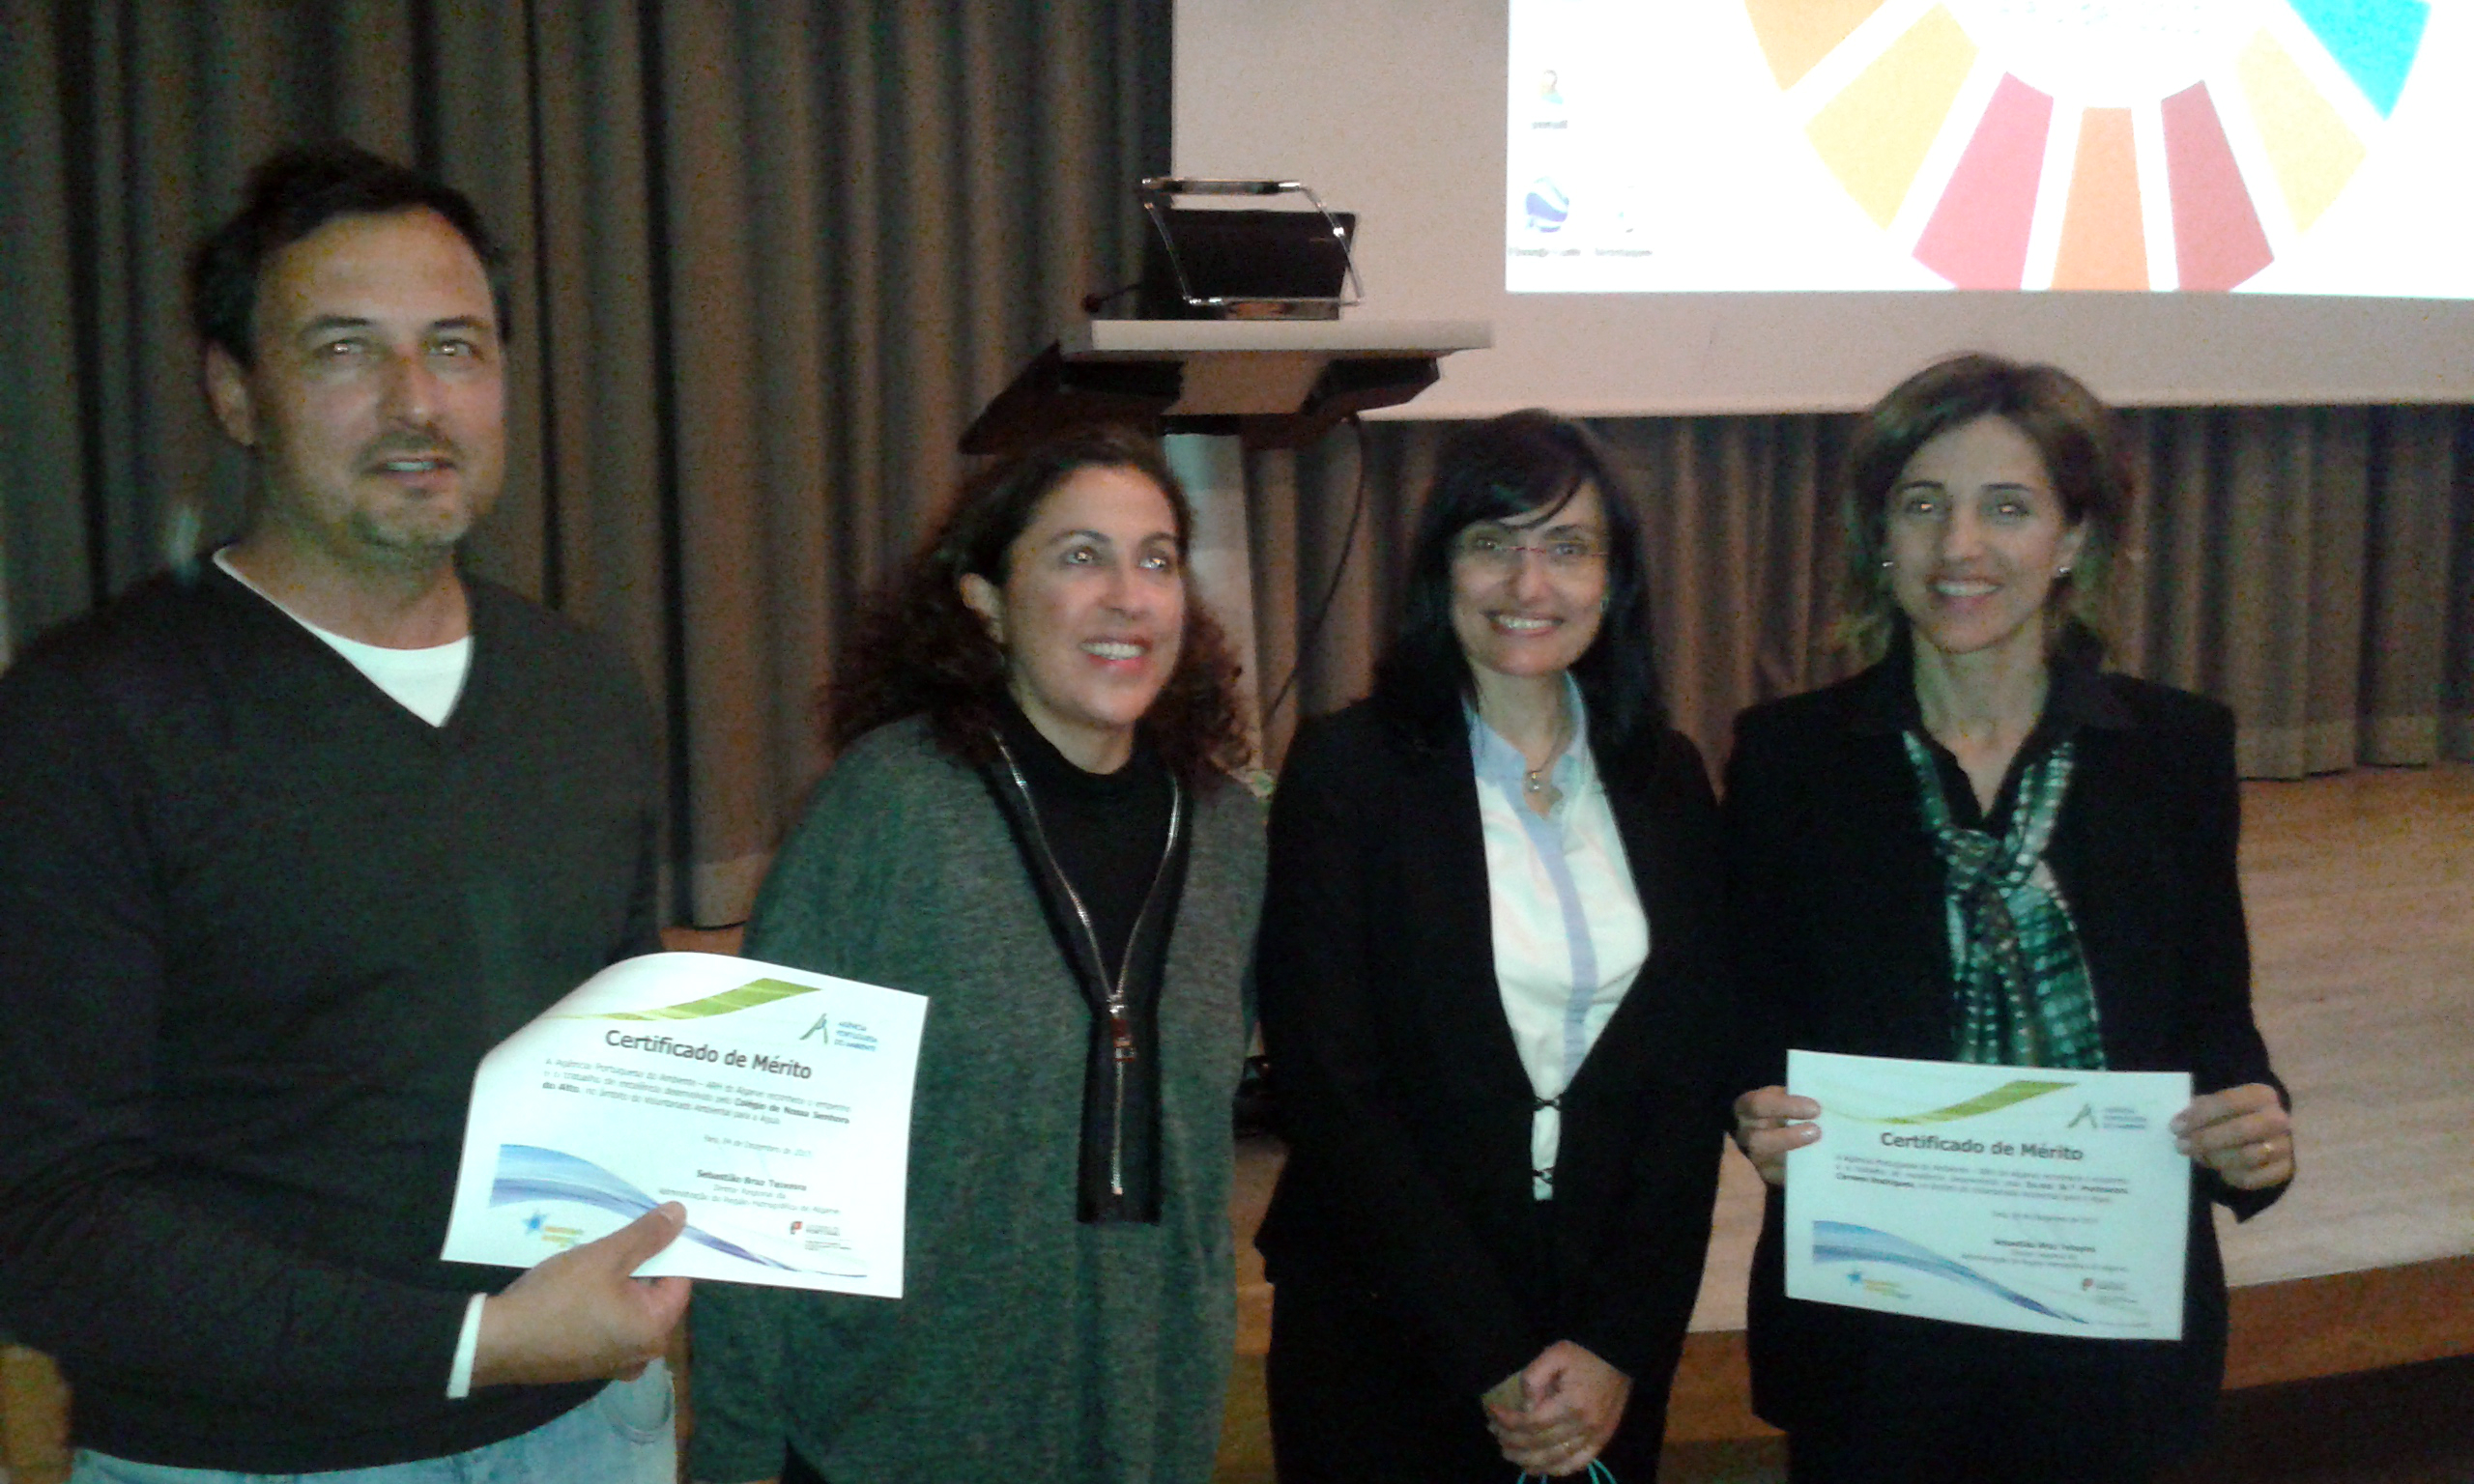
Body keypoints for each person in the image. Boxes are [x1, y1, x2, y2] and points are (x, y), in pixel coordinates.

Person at [0, 142, 690, 1479]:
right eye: (342, 350)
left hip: (590, 1431)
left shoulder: (585, 689)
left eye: (457, 348)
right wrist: (474, 1343)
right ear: (235, 393)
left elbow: (620, 1066)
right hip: (253, 1457)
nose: (415, 402)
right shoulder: (85, 722)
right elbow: (44, 1219)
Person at [1725, 354, 2296, 1484]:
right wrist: (1750, 1106)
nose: (1959, 548)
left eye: (2007, 507)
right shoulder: (1789, 760)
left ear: (2073, 538)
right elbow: (1746, 1012)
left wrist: (2253, 1133)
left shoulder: (2175, 752)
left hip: (2104, 1317)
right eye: (1921, 505)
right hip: (1876, 1330)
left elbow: (2210, 1015)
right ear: (1878, 535)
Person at [686, 426, 1265, 1484]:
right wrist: (737, 1449)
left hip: (1145, 1424)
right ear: (985, 602)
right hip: (893, 1431)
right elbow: (756, 1148)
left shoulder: (1229, 835)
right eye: (1080, 557)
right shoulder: (888, 809)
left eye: (1157, 560)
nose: (1129, 598)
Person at [1253, 411, 1734, 1481]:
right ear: (1441, 568)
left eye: (1568, 546)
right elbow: (1330, 1085)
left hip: (1599, 1342)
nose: (1529, 582)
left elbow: (1687, 1076)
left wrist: (1618, 1340)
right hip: (1388, 1319)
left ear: (1614, 580)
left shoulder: (1664, 776)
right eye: (1491, 542)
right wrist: (1488, 1354)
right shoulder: (1348, 771)